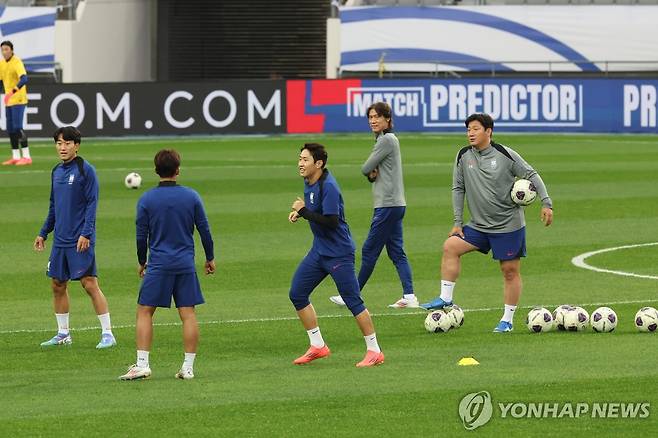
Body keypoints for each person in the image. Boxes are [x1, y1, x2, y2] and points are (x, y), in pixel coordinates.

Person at [421, 113, 553, 332]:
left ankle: (507, 320)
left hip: (508, 225)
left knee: (509, 271)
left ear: (488, 131)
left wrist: (546, 203)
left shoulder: (505, 154)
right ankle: (445, 297)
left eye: (475, 129)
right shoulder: (463, 155)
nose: (470, 133)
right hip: (478, 225)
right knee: (450, 246)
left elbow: (531, 174)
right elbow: (458, 188)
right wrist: (457, 222)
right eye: (468, 130)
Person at [120, 149, 215, 381]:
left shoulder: (147, 199)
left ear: (155, 171)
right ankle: (188, 368)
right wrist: (209, 257)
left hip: (159, 265)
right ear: (178, 170)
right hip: (184, 264)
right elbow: (205, 230)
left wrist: (142, 261)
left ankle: (142, 364)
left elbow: (141, 237)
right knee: (188, 314)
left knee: (144, 311)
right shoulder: (192, 196)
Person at [288, 143, 384, 367]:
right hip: (319, 251)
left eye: (305, 160)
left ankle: (374, 351)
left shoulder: (329, 186)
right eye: (300, 159)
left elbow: (331, 221)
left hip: (339, 254)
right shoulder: (309, 181)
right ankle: (318, 346)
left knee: (353, 300)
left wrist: (304, 211)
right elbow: (317, 212)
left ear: (318, 163)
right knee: (297, 293)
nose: (300, 163)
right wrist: (301, 213)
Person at [329, 102, 418, 309]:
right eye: (370, 117)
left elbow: (366, 168)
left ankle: (351, 294)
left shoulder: (386, 140)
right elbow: (373, 173)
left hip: (387, 205)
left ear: (388, 119)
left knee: (369, 250)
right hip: (394, 204)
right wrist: (372, 173)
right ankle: (410, 296)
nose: (373, 120)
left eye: (377, 116)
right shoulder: (385, 139)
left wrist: (371, 171)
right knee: (396, 251)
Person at [34, 126, 116, 348]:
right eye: (59, 143)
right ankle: (63, 334)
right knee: (57, 284)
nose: (62, 147)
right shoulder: (56, 171)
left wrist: (86, 233)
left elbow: (92, 203)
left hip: (80, 238)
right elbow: (54, 206)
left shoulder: (85, 170)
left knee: (89, 283)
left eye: (67, 143)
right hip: (60, 239)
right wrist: (43, 232)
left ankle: (108, 333)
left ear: (76, 146)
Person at [1, 41, 31, 166]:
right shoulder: (2, 64)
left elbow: (24, 78)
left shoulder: (17, 62)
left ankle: (27, 157)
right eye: (2, 50)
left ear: (12, 50)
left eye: (6, 49)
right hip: (9, 101)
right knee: (11, 129)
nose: (4, 52)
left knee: (18, 127)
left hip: (18, 99)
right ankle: (15, 156)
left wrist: (12, 91)